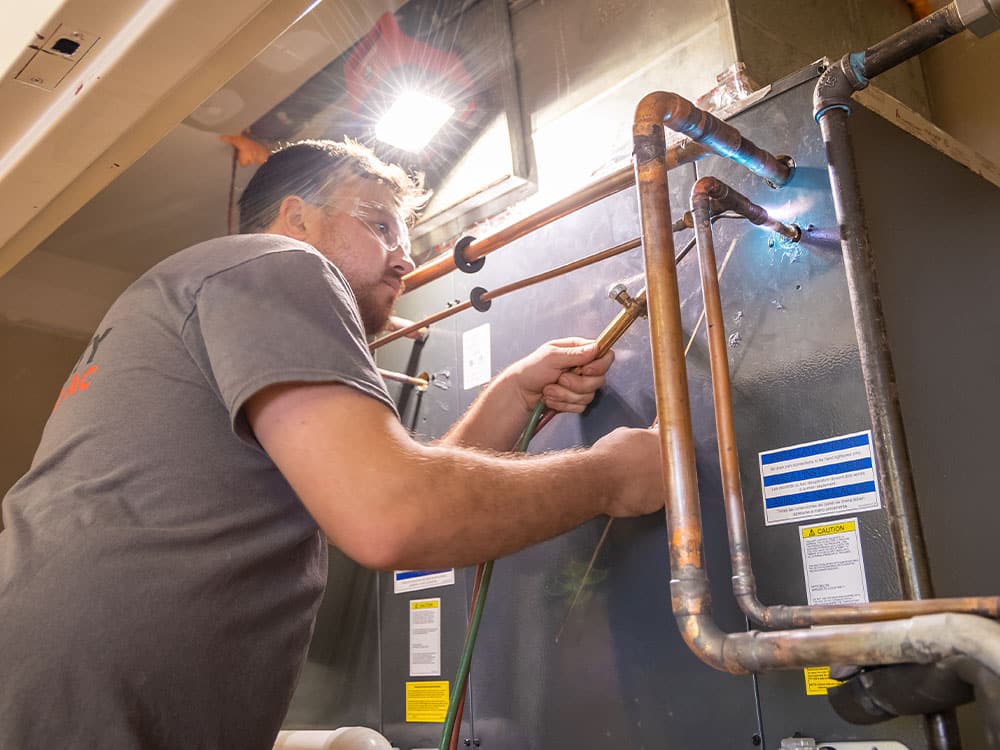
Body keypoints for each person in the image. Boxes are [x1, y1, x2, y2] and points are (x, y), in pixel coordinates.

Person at [0, 139, 664, 749]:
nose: (404, 258)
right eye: (378, 226)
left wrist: (508, 399)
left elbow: (389, 502)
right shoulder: (279, 262)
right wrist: (610, 476)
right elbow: (396, 516)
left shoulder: (197, 299)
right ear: (296, 218)